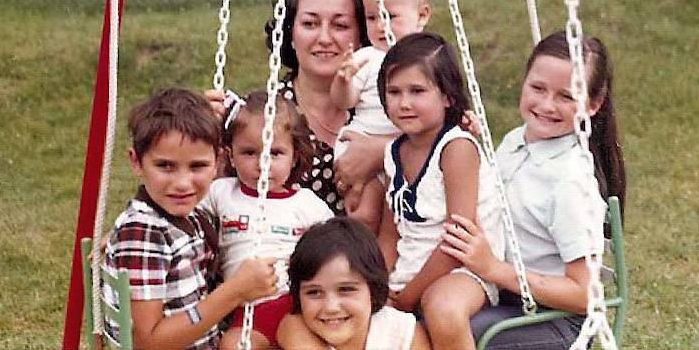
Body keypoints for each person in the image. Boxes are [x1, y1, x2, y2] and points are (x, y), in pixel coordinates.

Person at [440, 31, 626, 350]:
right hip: (502, 294)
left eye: (566, 96)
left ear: (593, 105)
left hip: (553, 320)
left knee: (441, 330)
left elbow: (585, 295)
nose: (546, 105)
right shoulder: (516, 140)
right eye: (537, 88)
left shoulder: (571, 180)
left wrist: (493, 268)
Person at [103, 88, 279, 350]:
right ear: (136, 161)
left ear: (218, 162)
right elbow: (149, 342)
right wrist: (235, 291)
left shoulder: (190, 217)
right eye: (165, 166)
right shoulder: (144, 233)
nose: (183, 183)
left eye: (197, 166)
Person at [207, 0, 385, 216]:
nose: (324, 38)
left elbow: (434, 144)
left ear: (362, 35)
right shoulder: (258, 115)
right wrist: (203, 136)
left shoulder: (386, 103)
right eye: (310, 24)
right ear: (290, 33)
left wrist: (383, 151)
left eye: (340, 26)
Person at [377, 32, 505, 350]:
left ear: (447, 96)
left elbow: (457, 240)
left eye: (417, 91)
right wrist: (377, 284)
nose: (404, 103)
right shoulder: (393, 153)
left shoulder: (456, 149)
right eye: (393, 92)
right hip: (410, 268)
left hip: (465, 270)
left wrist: (408, 296)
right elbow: (390, 235)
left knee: (441, 307)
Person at [200, 90, 334, 350]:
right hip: (245, 310)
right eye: (249, 152)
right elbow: (173, 212)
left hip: (294, 306)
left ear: (294, 156)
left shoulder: (306, 204)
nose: (262, 165)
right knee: (232, 346)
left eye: (275, 153)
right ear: (229, 154)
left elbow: (337, 243)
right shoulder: (222, 192)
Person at [330, 0, 431, 231]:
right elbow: (345, 101)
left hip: (403, 151)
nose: (380, 25)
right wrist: (343, 80)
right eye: (372, 18)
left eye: (390, 16)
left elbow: (448, 101)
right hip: (359, 142)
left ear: (421, 16)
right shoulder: (367, 58)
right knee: (366, 213)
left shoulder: (429, 57)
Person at [277, 217, 431, 350]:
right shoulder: (298, 330)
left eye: (345, 289)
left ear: (373, 288)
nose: (331, 307)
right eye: (314, 292)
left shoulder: (401, 333)